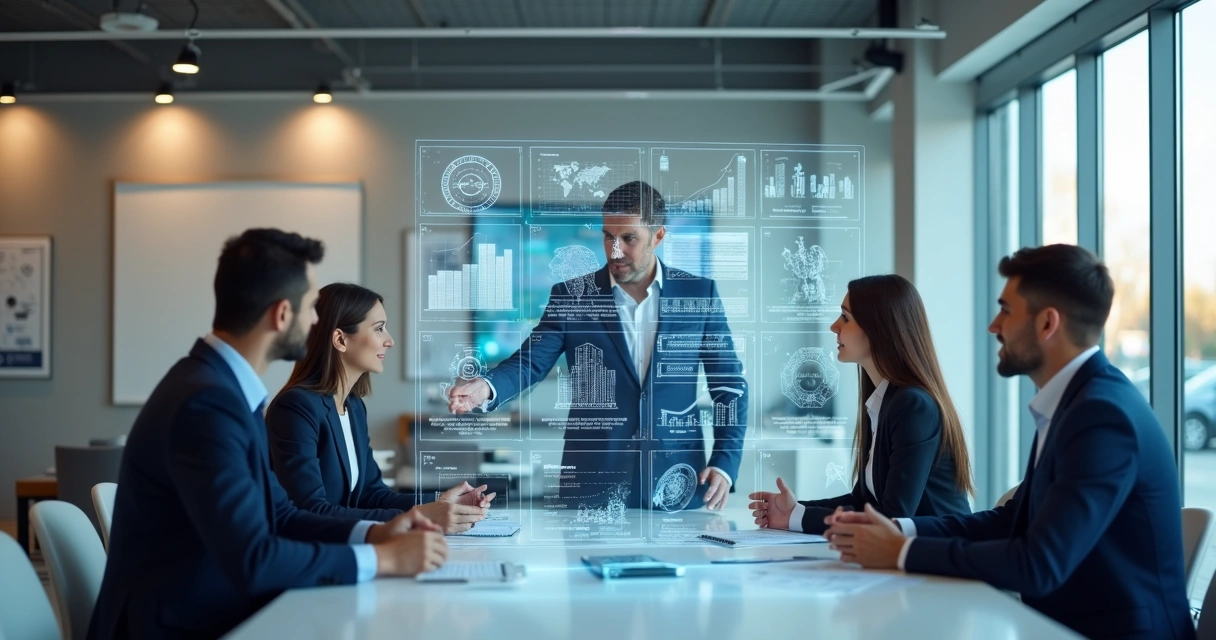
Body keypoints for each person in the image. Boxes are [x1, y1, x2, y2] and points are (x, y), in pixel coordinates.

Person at [88, 229, 448, 640]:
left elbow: (282, 515)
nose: (316, 320)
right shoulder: (206, 404)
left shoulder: (222, 390)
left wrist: (376, 532)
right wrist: (380, 560)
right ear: (281, 315)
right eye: (312, 307)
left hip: (208, 608)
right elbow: (254, 558)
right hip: (178, 626)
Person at [824, 244, 1194, 640]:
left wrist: (900, 551)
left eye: (1006, 310)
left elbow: (1039, 562)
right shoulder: (1076, 402)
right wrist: (901, 531)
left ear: (1047, 324)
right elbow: (1011, 521)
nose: (993, 325)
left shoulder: (1102, 416)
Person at [447, 181, 747, 511]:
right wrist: (486, 388)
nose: (615, 250)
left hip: (678, 480)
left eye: (629, 238)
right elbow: (531, 362)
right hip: (592, 482)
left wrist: (724, 462)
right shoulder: (571, 295)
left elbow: (729, 384)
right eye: (608, 236)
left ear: (658, 236)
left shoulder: (699, 294)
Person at [748, 274, 973, 534]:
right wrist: (793, 512)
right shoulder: (883, 402)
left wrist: (798, 516)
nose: (834, 326)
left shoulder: (913, 406)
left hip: (939, 559)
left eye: (845, 317)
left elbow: (892, 517)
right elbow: (864, 502)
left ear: (879, 328)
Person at [267, 282, 494, 532]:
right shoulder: (296, 408)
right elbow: (310, 510)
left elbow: (372, 494)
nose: (390, 341)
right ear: (340, 339)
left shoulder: (352, 406)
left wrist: (440, 502)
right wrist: (423, 516)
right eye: (379, 329)